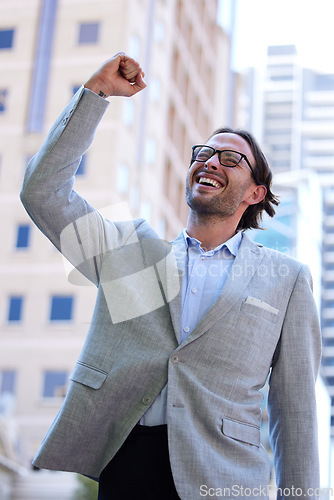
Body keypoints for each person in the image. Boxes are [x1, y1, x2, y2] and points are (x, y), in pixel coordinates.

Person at [20, 53, 321, 500]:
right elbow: (43, 191)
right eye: (203, 153)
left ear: (255, 193)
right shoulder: (130, 254)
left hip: (228, 474)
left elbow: (293, 410)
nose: (211, 161)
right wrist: (96, 94)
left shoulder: (286, 278)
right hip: (129, 464)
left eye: (231, 159)